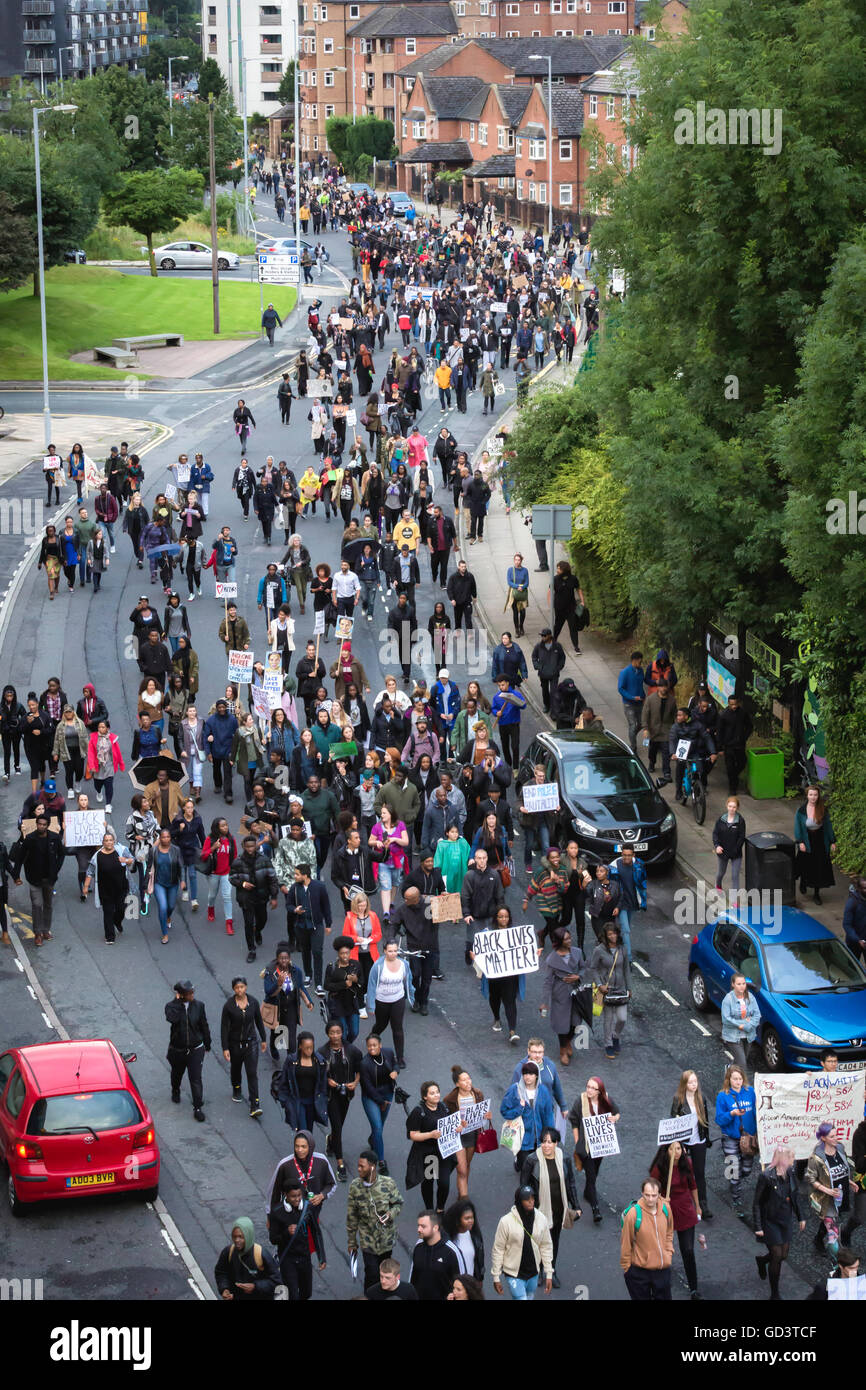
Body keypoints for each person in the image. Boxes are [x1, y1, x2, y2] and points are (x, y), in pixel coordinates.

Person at [520, 1126, 580, 1287]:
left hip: (559, 1208)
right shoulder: (532, 1160)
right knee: (539, 1241)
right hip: (538, 1210)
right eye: (544, 1142)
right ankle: (539, 1270)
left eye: (550, 1142)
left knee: (554, 1241)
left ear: (556, 1143)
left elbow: (571, 1184)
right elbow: (523, 1186)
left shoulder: (564, 1159)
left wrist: (576, 1205)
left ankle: (551, 1271)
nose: (546, 1145)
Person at [649, 1140, 702, 1300]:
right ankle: (661, 1287)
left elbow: (693, 1185)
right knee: (665, 1251)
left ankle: (694, 1289)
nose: (677, 1152)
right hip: (666, 1211)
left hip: (685, 1209)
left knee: (688, 1250)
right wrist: (659, 1200)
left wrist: (698, 1206)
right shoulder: (659, 1168)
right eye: (673, 1149)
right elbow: (651, 1190)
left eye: (679, 1148)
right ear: (667, 1151)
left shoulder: (687, 1163)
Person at [347, 1149, 405, 1289]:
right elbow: (352, 1216)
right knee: (372, 1273)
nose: (358, 1169)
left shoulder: (388, 1183)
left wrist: (390, 1214)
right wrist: (352, 1242)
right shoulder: (355, 1187)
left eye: (362, 1166)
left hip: (386, 1239)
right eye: (358, 1165)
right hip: (368, 1241)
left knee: (384, 1273)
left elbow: (398, 1203)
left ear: (372, 1167)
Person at [753, 1146, 806, 1300]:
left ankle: (762, 1260)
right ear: (784, 1160)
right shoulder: (766, 1176)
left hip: (785, 1219)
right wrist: (758, 1226)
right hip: (770, 1221)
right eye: (792, 1158)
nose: (794, 1161)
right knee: (777, 1255)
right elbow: (756, 1203)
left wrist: (801, 1217)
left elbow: (794, 1196)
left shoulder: (790, 1173)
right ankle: (774, 1294)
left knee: (783, 1255)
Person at [569, 1075, 621, 1222]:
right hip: (585, 1147)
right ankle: (595, 1208)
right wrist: (577, 1140)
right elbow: (573, 1120)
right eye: (588, 1086)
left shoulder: (606, 1100)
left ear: (599, 1091)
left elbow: (617, 1112)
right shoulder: (581, 1100)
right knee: (591, 1176)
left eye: (593, 1088)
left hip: (600, 1146)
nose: (589, 1090)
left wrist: (614, 1118)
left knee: (594, 1172)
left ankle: (587, 1192)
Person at [9, 813, 65, 947]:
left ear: (48, 826)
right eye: (39, 824)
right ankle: (38, 933)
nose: (41, 826)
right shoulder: (29, 839)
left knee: (48, 905)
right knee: (37, 905)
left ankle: (46, 930)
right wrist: (16, 875)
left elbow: (62, 854)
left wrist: (56, 869)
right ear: (36, 824)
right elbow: (20, 858)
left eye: (44, 825)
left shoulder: (55, 838)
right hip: (34, 878)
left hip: (49, 878)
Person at [491, 1185, 554, 1300]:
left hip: (533, 1272)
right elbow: (498, 1249)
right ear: (519, 1202)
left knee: (529, 1296)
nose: (531, 1201)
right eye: (526, 1199)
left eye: (532, 1198)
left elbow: (546, 1246)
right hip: (514, 1274)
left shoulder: (541, 1219)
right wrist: (496, 1276)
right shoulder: (506, 1222)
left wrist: (549, 1273)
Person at [268, 1179, 326, 1300]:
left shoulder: (307, 1208)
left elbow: (316, 1232)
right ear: (285, 1195)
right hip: (288, 1259)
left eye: (299, 1195)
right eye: (293, 1196)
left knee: (306, 1293)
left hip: (304, 1257)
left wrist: (322, 1257)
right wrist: (286, 1233)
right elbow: (273, 1239)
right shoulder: (276, 1211)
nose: (297, 1199)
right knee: (293, 1295)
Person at [541, 927, 590, 1067]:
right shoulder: (552, 959)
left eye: (570, 937)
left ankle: (568, 1041)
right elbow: (548, 981)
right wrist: (545, 1002)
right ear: (559, 941)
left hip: (576, 992)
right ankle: (563, 1050)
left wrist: (578, 976)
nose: (570, 940)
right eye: (566, 939)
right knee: (562, 1024)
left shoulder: (577, 952)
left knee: (575, 1022)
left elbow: (584, 968)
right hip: (560, 994)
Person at [620, 1177, 674, 1301]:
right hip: (639, 1271)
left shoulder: (666, 1208)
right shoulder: (633, 1215)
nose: (650, 1199)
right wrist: (627, 1269)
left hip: (662, 1269)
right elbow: (625, 1243)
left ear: (659, 1195)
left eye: (654, 1195)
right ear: (642, 1194)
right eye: (647, 1195)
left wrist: (668, 1252)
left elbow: (669, 1232)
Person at [164, 980, 211, 1122]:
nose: (192, 995)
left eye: (193, 992)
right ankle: (175, 1089)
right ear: (182, 995)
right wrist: (179, 1004)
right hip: (178, 1049)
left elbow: (204, 1025)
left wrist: (207, 1043)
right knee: (177, 1074)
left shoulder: (199, 1006)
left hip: (196, 1048)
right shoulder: (171, 1007)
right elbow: (172, 1019)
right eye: (189, 993)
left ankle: (197, 1107)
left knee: (196, 1078)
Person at [229, 835, 279, 964]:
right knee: (248, 923)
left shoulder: (264, 860)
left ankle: (258, 931)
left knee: (263, 919)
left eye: (252, 846)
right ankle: (251, 949)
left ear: (256, 845)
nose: (250, 849)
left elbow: (272, 878)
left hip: (261, 896)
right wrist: (243, 884)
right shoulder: (238, 861)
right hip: (246, 897)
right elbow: (232, 877)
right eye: (248, 846)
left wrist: (274, 896)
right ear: (243, 847)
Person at [406, 1081, 455, 1214]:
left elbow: (450, 1125)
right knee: (429, 1182)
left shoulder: (443, 1107)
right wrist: (430, 1135)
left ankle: (440, 1209)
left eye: (437, 1092)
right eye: (432, 1093)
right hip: (429, 1154)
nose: (436, 1095)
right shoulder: (419, 1112)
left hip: (444, 1152)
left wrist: (459, 1127)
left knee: (444, 1183)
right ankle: (429, 1210)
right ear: (425, 1097)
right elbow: (413, 1135)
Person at [807, 1121, 855, 1257]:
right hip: (826, 1200)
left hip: (841, 1195)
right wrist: (828, 1191)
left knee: (831, 1220)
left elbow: (842, 1169)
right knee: (833, 1234)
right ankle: (840, 1265)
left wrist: (849, 1182)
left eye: (836, 1135)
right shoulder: (816, 1157)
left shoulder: (840, 1148)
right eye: (832, 1136)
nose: (836, 1139)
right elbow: (810, 1179)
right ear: (823, 1138)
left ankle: (817, 1240)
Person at [220, 976, 266, 1118]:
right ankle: (237, 1087)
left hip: (251, 1042)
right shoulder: (229, 1006)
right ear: (233, 989)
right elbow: (224, 1028)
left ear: (246, 987)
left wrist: (264, 1039)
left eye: (242, 987)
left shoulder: (253, 1002)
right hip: (235, 1044)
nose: (240, 990)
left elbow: (259, 1021)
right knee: (236, 1068)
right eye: (237, 988)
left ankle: (255, 1104)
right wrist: (225, 1047)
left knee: (252, 1073)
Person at [670, 1069, 713, 1218]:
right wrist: (679, 1143)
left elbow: (705, 1121)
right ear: (685, 1084)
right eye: (690, 1082)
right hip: (686, 1142)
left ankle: (703, 1204)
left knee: (700, 1173)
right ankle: (685, 1202)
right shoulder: (679, 1100)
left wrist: (707, 1139)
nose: (694, 1085)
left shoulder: (701, 1098)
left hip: (699, 1140)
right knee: (685, 1172)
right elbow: (673, 1121)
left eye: (695, 1082)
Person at [714, 1063, 757, 1212]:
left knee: (746, 1170)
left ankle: (735, 1182)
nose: (737, 1082)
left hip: (749, 1138)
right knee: (734, 1169)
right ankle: (735, 1197)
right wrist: (731, 1114)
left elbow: (758, 1111)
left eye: (740, 1079)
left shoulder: (750, 1092)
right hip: (730, 1138)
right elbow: (719, 1120)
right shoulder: (723, 1096)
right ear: (729, 1079)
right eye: (734, 1079)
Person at [500, 1061, 557, 1168]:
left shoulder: (543, 1091)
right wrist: (519, 1108)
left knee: (538, 1167)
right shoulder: (515, 1090)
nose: (527, 1077)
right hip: (522, 1139)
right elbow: (504, 1111)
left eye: (531, 1074)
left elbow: (548, 1114)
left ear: (537, 1075)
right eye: (525, 1074)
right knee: (525, 1168)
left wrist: (551, 1135)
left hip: (539, 1138)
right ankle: (520, 1167)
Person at [82, 831, 134, 945]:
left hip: (121, 888)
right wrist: (86, 886)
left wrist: (125, 860)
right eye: (106, 840)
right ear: (103, 842)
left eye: (111, 840)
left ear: (114, 841)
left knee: (121, 909)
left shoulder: (121, 850)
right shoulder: (97, 856)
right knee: (108, 912)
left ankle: (117, 922)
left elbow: (132, 859)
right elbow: (90, 872)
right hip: (105, 890)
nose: (109, 842)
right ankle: (110, 936)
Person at [262, 941, 311, 1059]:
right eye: (281, 958)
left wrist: (308, 1001)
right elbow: (268, 991)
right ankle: (274, 1048)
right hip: (277, 1007)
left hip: (291, 1007)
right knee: (278, 1033)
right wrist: (278, 984)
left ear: (289, 958)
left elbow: (300, 987)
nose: (284, 961)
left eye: (286, 958)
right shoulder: (270, 972)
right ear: (277, 959)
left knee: (291, 1038)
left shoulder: (296, 971)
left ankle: (291, 1060)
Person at [590, 923, 631, 1059]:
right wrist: (600, 984)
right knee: (608, 1019)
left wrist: (629, 988)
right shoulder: (599, 950)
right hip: (606, 990)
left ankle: (616, 1036)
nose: (613, 936)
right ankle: (608, 1044)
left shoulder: (622, 949)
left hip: (620, 989)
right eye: (610, 934)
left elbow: (626, 969)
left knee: (622, 1018)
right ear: (605, 936)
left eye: (614, 933)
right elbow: (593, 968)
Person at [215, 1217, 280, 1301]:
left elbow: (277, 1282)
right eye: (234, 1236)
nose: (237, 1240)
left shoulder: (261, 1254)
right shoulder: (228, 1252)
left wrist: (255, 1287)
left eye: (241, 1237)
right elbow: (221, 1273)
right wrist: (224, 1289)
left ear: (248, 1236)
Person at [795, 784, 836, 905]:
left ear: (818, 796)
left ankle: (816, 894)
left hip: (819, 840)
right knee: (805, 864)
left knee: (819, 867)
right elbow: (798, 828)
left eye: (815, 795)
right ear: (807, 796)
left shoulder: (823, 809)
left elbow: (828, 826)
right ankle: (803, 882)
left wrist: (832, 841)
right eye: (811, 794)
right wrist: (800, 842)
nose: (813, 797)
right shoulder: (801, 811)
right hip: (807, 839)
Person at [608, 846, 647, 964]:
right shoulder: (614, 866)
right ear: (621, 854)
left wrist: (643, 900)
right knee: (626, 930)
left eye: (629, 855)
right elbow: (611, 885)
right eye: (624, 855)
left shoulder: (639, 865)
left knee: (625, 929)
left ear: (633, 855)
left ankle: (618, 947)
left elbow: (643, 883)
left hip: (633, 901)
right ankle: (628, 958)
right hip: (621, 902)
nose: (626, 857)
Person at [410, 1211, 460, 1300]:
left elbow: (462, 1282)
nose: (419, 1229)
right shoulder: (418, 1247)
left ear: (435, 1228)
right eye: (418, 1225)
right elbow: (413, 1278)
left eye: (423, 1226)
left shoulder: (452, 1251)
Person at [324, 934, 364, 1044]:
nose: (345, 956)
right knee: (343, 1033)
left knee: (354, 1032)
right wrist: (344, 984)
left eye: (347, 953)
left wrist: (356, 980)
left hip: (352, 1003)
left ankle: (347, 1047)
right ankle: (345, 1051)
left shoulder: (356, 965)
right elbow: (327, 986)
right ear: (338, 954)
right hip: (337, 1004)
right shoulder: (332, 967)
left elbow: (362, 983)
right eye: (342, 953)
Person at [720, 970, 760, 1072]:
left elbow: (757, 1015)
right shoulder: (728, 999)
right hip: (733, 1036)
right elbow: (726, 1019)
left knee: (740, 1061)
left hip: (748, 1035)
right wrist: (742, 1024)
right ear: (733, 984)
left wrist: (747, 1025)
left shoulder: (751, 997)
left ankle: (729, 1069)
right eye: (738, 984)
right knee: (742, 1065)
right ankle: (744, 1086)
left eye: (743, 983)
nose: (742, 986)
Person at [712, 796, 747, 891]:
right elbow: (715, 834)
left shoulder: (740, 821)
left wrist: (736, 850)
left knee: (735, 876)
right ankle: (718, 884)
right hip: (723, 851)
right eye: (730, 806)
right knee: (721, 873)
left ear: (737, 808)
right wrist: (717, 846)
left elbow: (741, 837)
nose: (732, 809)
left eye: (734, 807)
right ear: (727, 806)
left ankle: (734, 900)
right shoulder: (721, 820)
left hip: (736, 853)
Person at [551, 560, 586, 653]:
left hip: (571, 607)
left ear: (564, 570)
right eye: (557, 568)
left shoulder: (573, 579)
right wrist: (550, 604)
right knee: (557, 626)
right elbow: (550, 591)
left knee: (573, 627)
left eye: (559, 569)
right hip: (559, 607)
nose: (557, 570)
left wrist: (582, 601)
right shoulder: (555, 579)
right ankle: (552, 643)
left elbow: (578, 589)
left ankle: (576, 646)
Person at [531, 629, 565, 713]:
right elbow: (534, 657)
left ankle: (554, 709)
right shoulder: (538, 646)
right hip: (543, 674)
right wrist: (539, 667)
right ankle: (547, 705)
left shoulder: (557, 646)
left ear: (549, 636)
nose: (542, 637)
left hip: (554, 674)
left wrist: (558, 668)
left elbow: (562, 658)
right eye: (541, 635)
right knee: (545, 691)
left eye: (544, 635)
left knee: (553, 692)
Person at [617, 650, 645, 753]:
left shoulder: (641, 670)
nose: (640, 663)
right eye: (639, 661)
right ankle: (633, 746)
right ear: (634, 660)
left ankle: (632, 734)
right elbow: (620, 688)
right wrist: (632, 697)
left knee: (642, 723)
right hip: (629, 704)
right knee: (633, 724)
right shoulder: (625, 672)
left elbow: (642, 683)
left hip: (640, 702)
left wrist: (643, 696)